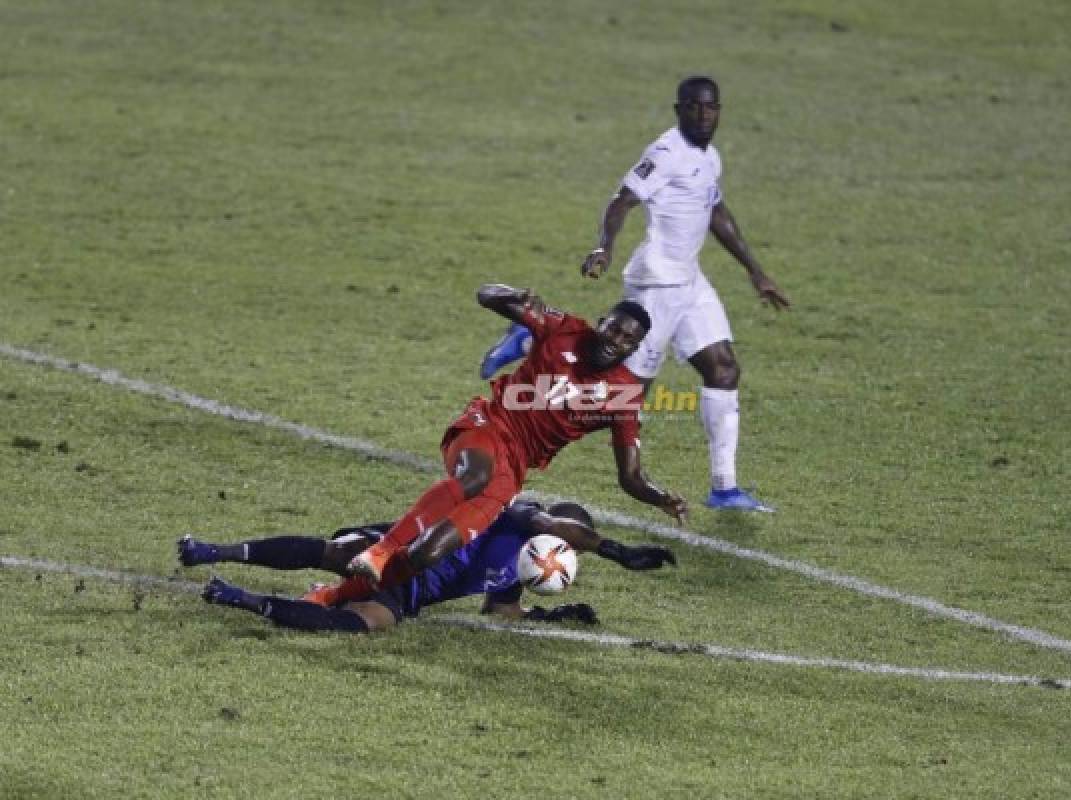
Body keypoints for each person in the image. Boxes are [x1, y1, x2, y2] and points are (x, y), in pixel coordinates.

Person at [480, 76, 790, 513]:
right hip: (656, 281)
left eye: (712, 107)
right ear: (679, 109)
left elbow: (716, 211)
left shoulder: (710, 157)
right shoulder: (664, 153)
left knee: (723, 369)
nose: (705, 115)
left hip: (691, 281)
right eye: (695, 108)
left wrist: (756, 271)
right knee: (625, 388)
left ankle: (724, 488)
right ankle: (529, 340)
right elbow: (621, 201)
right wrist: (604, 245)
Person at [332, 284, 686, 602]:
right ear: (601, 322)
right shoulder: (565, 329)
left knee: (426, 555)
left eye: (627, 339)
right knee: (474, 478)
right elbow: (484, 294)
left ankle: (332, 596)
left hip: (514, 469)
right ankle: (381, 548)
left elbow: (630, 476)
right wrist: (511, 296)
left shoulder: (624, 395)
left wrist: (659, 497)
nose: (615, 340)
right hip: (488, 425)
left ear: (637, 348)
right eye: (613, 329)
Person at [179, 500, 677, 633]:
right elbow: (555, 523)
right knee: (339, 553)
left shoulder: (521, 571)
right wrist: (616, 551)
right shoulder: (521, 515)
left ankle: (241, 598)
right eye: (570, 537)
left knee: (369, 625)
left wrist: (551, 617)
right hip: (397, 550)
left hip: (406, 594)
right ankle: (213, 550)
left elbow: (501, 611)